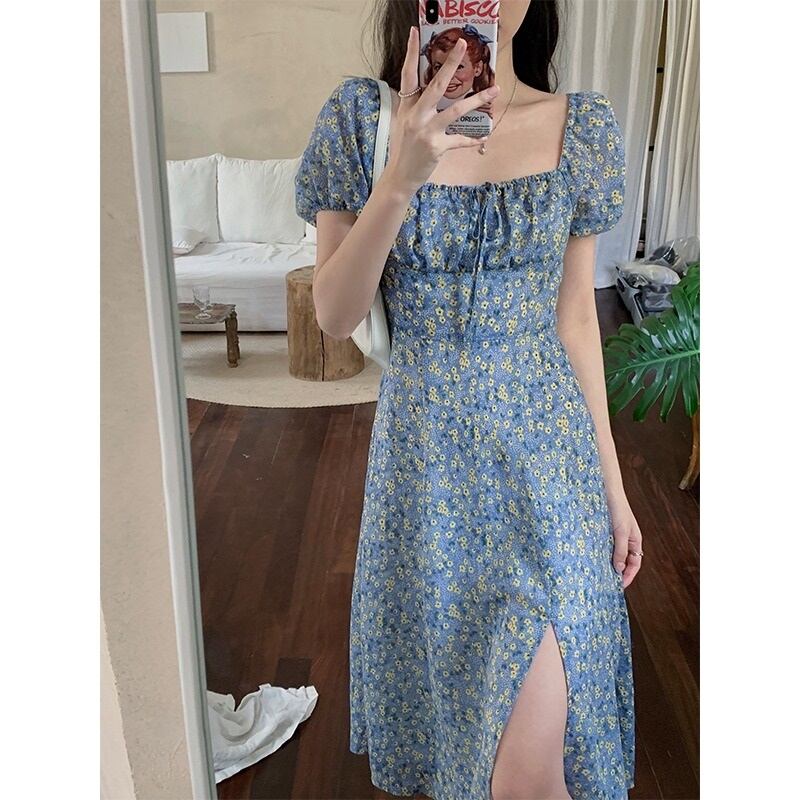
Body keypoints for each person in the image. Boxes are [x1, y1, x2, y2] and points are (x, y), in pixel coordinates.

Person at [294, 2, 642, 798]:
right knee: (468, 733)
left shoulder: (580, 128)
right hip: (428, 480)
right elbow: (336, 316)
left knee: (530, 764)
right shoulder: (362, 119)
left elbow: (576, 318)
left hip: (549, 470)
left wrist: (614, 488)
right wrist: (402, 176)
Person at [422, 25, 496, 117]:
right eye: (438, 67)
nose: (448, 77)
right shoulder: (421, 100)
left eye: (459, 67)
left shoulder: (483, 104)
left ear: (477, 68)